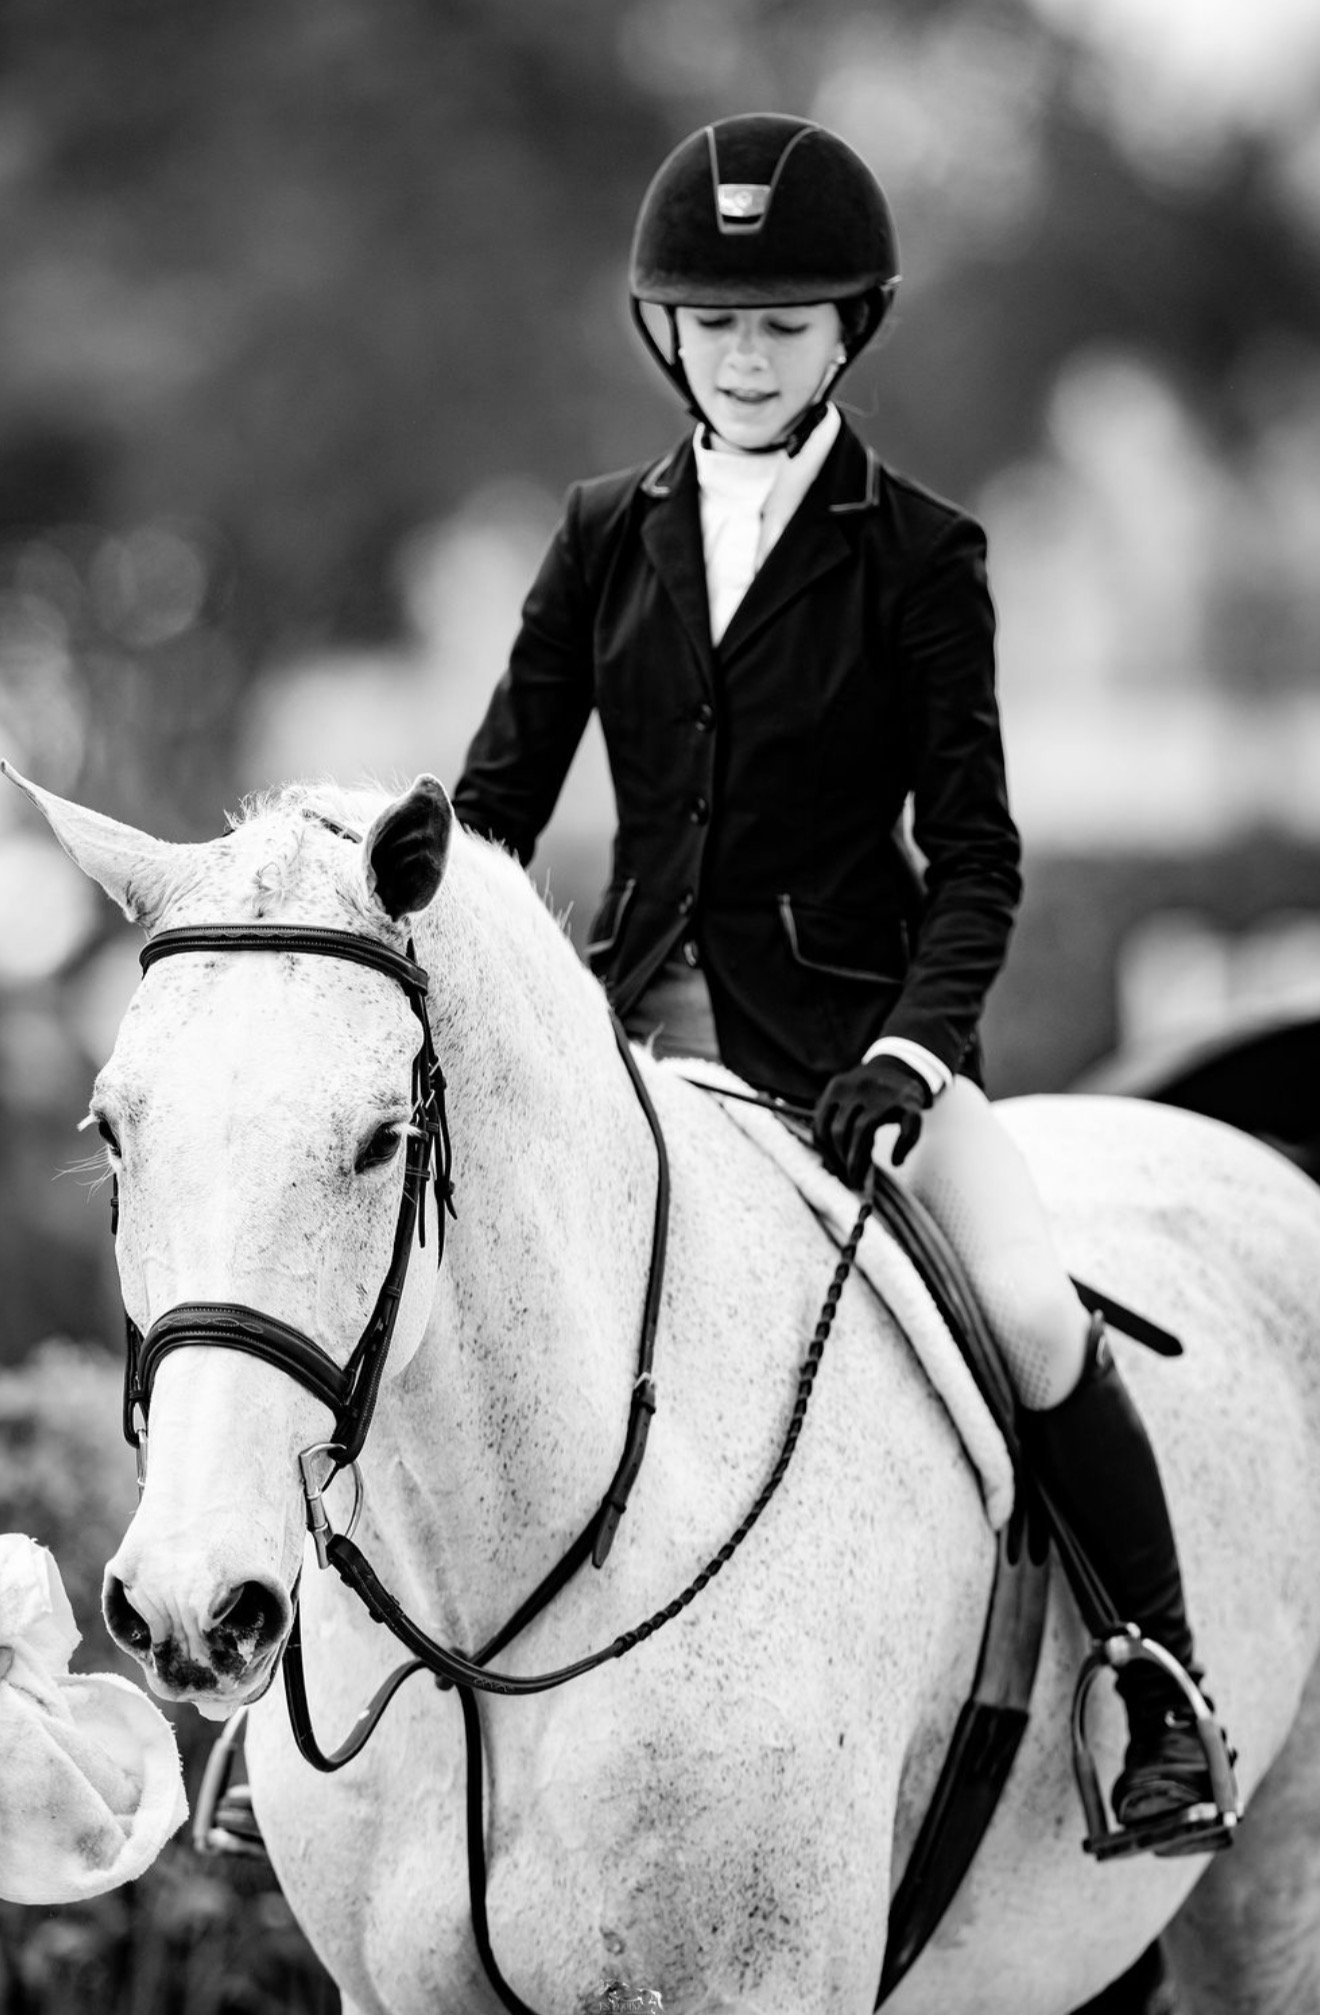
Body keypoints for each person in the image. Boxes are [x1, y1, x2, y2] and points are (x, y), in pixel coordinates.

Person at [452, 113, 1231, 1848]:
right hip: (630, 1024)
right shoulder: (601, 536)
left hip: (856, 1045)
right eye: (717, 323)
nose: (745, 354)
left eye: (783, 323)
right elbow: (497, 805)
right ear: (665, 331)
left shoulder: (921, 552)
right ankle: (312, 1709)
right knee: (431, 1285)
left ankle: (1158, 1681)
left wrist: (910, 1043)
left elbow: (979, 857)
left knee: (1030, 1310)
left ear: (847, 329)